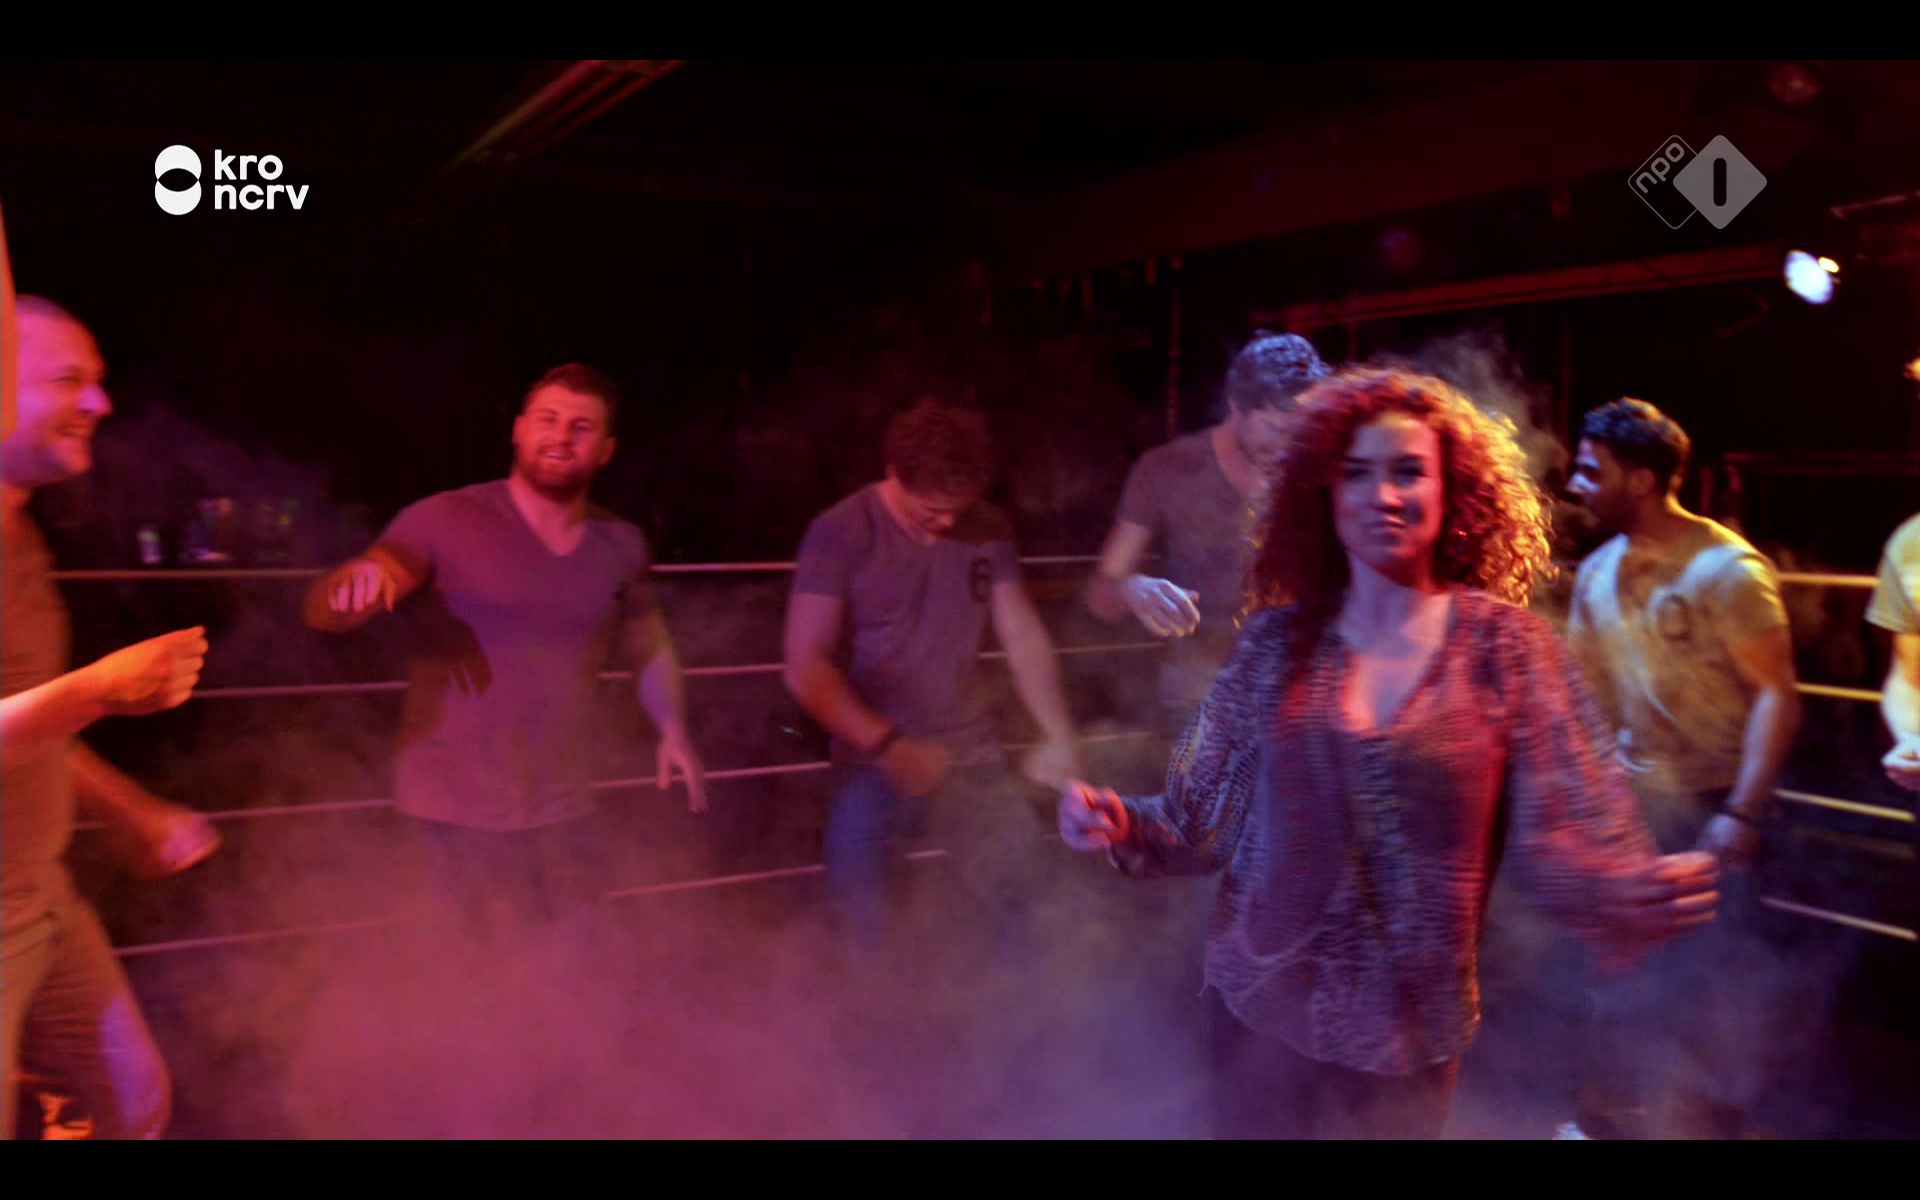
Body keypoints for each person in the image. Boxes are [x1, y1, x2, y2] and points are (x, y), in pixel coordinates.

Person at [1059, 368, 1718, 1139]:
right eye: (1357, 474)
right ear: (1326, 496)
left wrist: (1624, 893)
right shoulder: (1274, 642)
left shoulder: (1508, 649)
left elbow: (1564, 828)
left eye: (1408, 471)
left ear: (1452, 492)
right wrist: (1121, 821)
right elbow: (1196, 818)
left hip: (1409, 1030)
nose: (1382, 495)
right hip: (1258, 1013)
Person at [305, 363, 704, 939]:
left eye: (581, 426)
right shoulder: (445, 518)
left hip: (563, 807)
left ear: (606, 449)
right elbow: (335, 602)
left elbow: (650, 645)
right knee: (455, 969)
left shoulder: (621, 543)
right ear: (519, 430)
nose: (561, 436)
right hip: (447, 812)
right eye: (548, 419)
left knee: (570, 964)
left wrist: (673, 729)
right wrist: (355, 586)